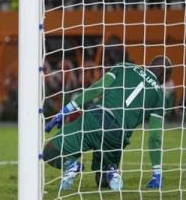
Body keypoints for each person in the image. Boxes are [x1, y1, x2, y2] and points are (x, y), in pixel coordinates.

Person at [43, 56, 173, 191]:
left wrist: (66, 110)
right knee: (102, 182)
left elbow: (97, 89)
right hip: (117, 135)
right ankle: (111, 171)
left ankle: (71, 165)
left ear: (150, 65)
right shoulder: (160, 97)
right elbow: (155, 137)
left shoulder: (125, 66)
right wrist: (157, 174)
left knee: (50, 151)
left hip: (94, 119)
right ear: (164, 76)